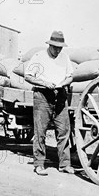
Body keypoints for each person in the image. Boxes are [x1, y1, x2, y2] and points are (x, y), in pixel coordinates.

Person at [24, 31, 75, 176]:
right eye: (55, 47)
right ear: (50, 44)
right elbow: (28, 76)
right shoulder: (39, 57)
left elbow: (70, 76)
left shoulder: (64, 58)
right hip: (43, 96)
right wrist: (44, 83)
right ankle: (39, 164)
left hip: (60, 96)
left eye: (60, 48)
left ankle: (65, 164)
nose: (58, 50)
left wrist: (63, 83)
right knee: (40, 131)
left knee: (64, 131)